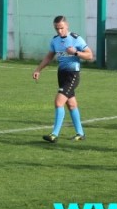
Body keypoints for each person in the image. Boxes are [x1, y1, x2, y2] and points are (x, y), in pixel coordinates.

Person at [33, 15, 94, 143]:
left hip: (72, 74)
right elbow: (49, 57)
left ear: (67, 25)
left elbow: (90, 55)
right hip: (61, 74)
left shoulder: (76, 39)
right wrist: (38, 69)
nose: (59, 31)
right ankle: (80, 133)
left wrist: (76, 53)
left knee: (58, 102)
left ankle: (54, 134)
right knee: (71, 104)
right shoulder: (55, 40)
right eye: (57, 29)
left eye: (61, 28)